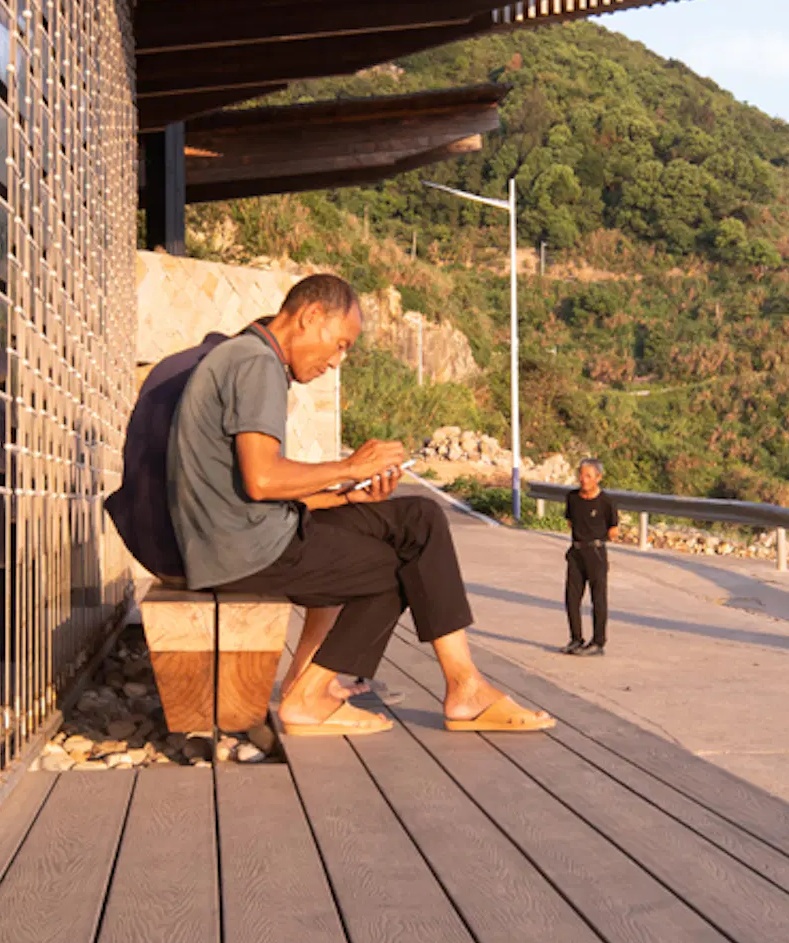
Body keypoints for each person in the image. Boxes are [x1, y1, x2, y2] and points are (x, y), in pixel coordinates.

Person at [168, 271, 552, 737]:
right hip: (241, 550)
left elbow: (253, 487)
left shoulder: (247, 356)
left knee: (419, 516)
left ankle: (461, 684)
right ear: (311, 317)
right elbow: (263, 479)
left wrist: (348, 494)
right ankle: (312, 696)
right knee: (397, 568)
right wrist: (349, 466)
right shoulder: (256, 365)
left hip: (244, 534)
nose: (337, 361)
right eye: (341, 344)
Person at [561, 457, 616, 653]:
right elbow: (570, 521)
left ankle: (598, 642)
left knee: (598, 598)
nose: (583, 480)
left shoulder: (606, 502)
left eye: (588, 476)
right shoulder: (572, 498)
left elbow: (613, 530)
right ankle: (576, 638)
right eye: (581, 475)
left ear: (598, 478)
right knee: (571, 597)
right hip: (576, 552)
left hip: (596, 553)